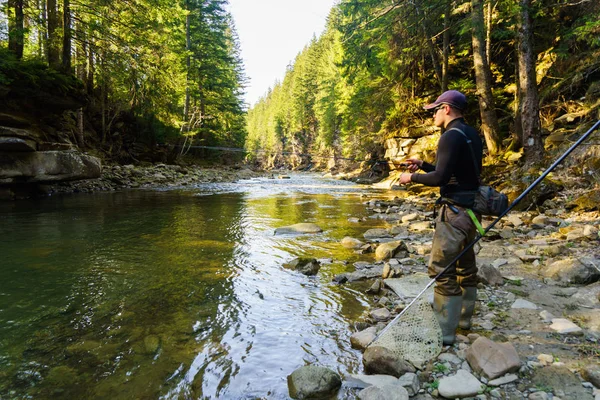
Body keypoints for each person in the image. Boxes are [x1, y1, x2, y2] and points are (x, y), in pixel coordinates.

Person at [396, 90, 483, 345]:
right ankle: (464, 321)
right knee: (465, 266)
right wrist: (423, 165)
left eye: (435, 109)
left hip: (454, 214)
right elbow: (455, 173)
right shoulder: (471, 134)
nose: (432, 114)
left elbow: (441, 179)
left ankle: (444, 332)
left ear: (447, 109)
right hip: (472, 213)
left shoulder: (449, 136)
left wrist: (410, 178)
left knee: (441, 269)